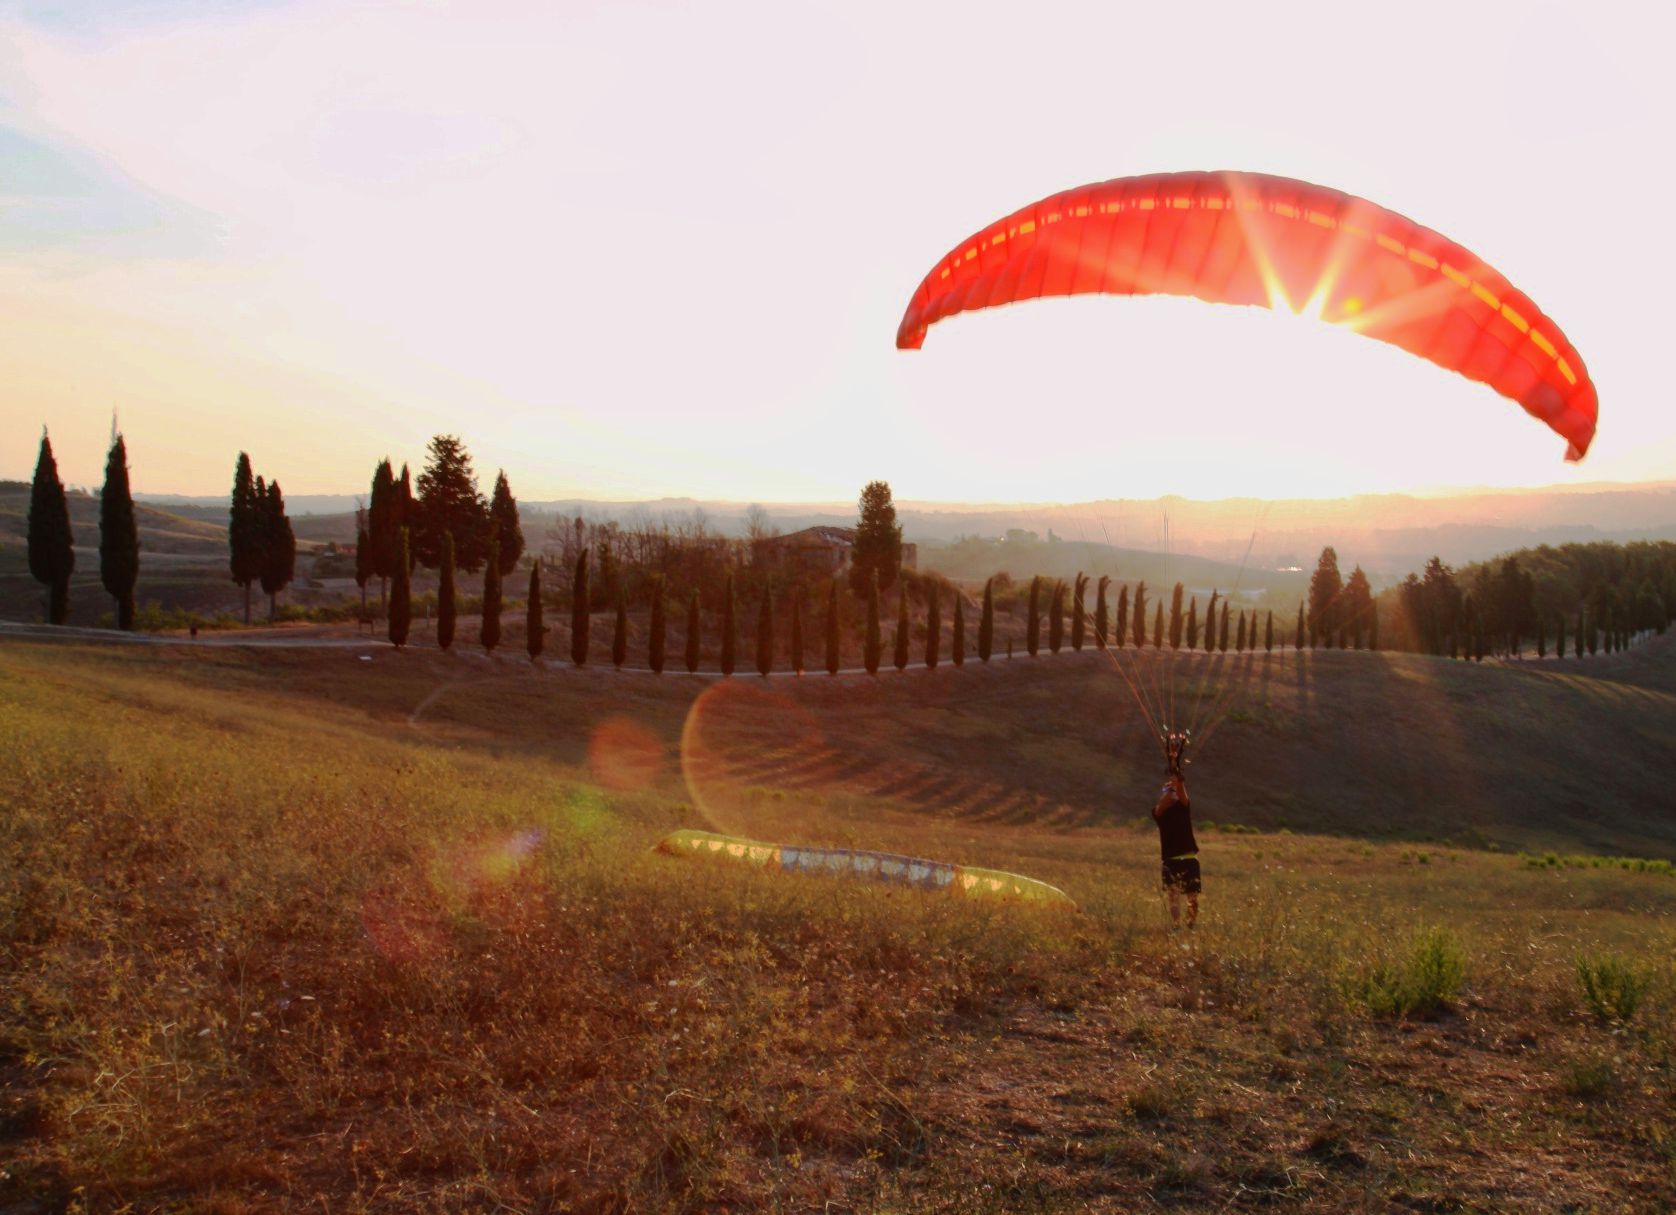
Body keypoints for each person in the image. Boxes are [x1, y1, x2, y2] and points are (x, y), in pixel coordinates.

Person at [1152, 729, 1199, 928]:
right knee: (1173, 897)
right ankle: (1176, 926)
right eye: (1167, 788)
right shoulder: (1159, 813)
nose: (1171, 790)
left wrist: (1175, 768)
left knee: (1192, 898)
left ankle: (1190, 924)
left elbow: (1180, 789)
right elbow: (1161, 804)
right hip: (1171, 860)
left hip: (1189, 859)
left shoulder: (1184, 806)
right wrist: (1168, 791)